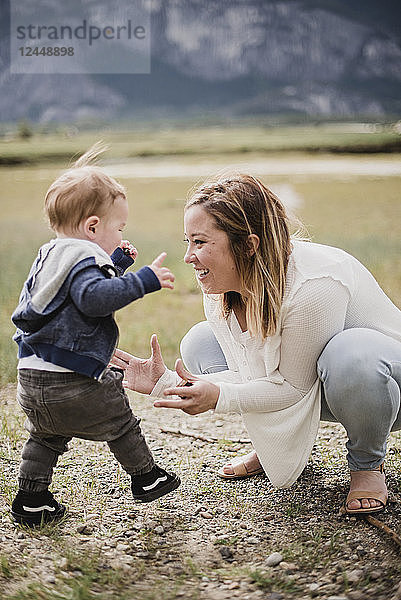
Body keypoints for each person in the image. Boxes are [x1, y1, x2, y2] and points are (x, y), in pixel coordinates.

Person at [112, 173, 401, 515]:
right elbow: (251, 376)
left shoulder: (315, 283)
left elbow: (292, 388)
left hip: (380, 385)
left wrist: (218, 396)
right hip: (316, 384)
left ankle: (366, 464)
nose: (189, 256)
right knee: (199, 342)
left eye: (201, 243)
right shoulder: (221, 286)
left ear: (249, 246)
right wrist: (167, 383)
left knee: (349, 356)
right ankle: (270, 448)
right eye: (187, 242)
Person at [11, 144, 180, 526]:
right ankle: (146, 478)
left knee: (46, 436)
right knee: (119, 420)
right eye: (118, 228)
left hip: (33, 378)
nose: (121, 233)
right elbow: (92, 298)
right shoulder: (83, 257)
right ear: (92, 227)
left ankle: (31, 499)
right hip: (72, 379)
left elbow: (76, 295)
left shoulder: (52, 255)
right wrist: (142, 281)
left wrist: (116, 263)